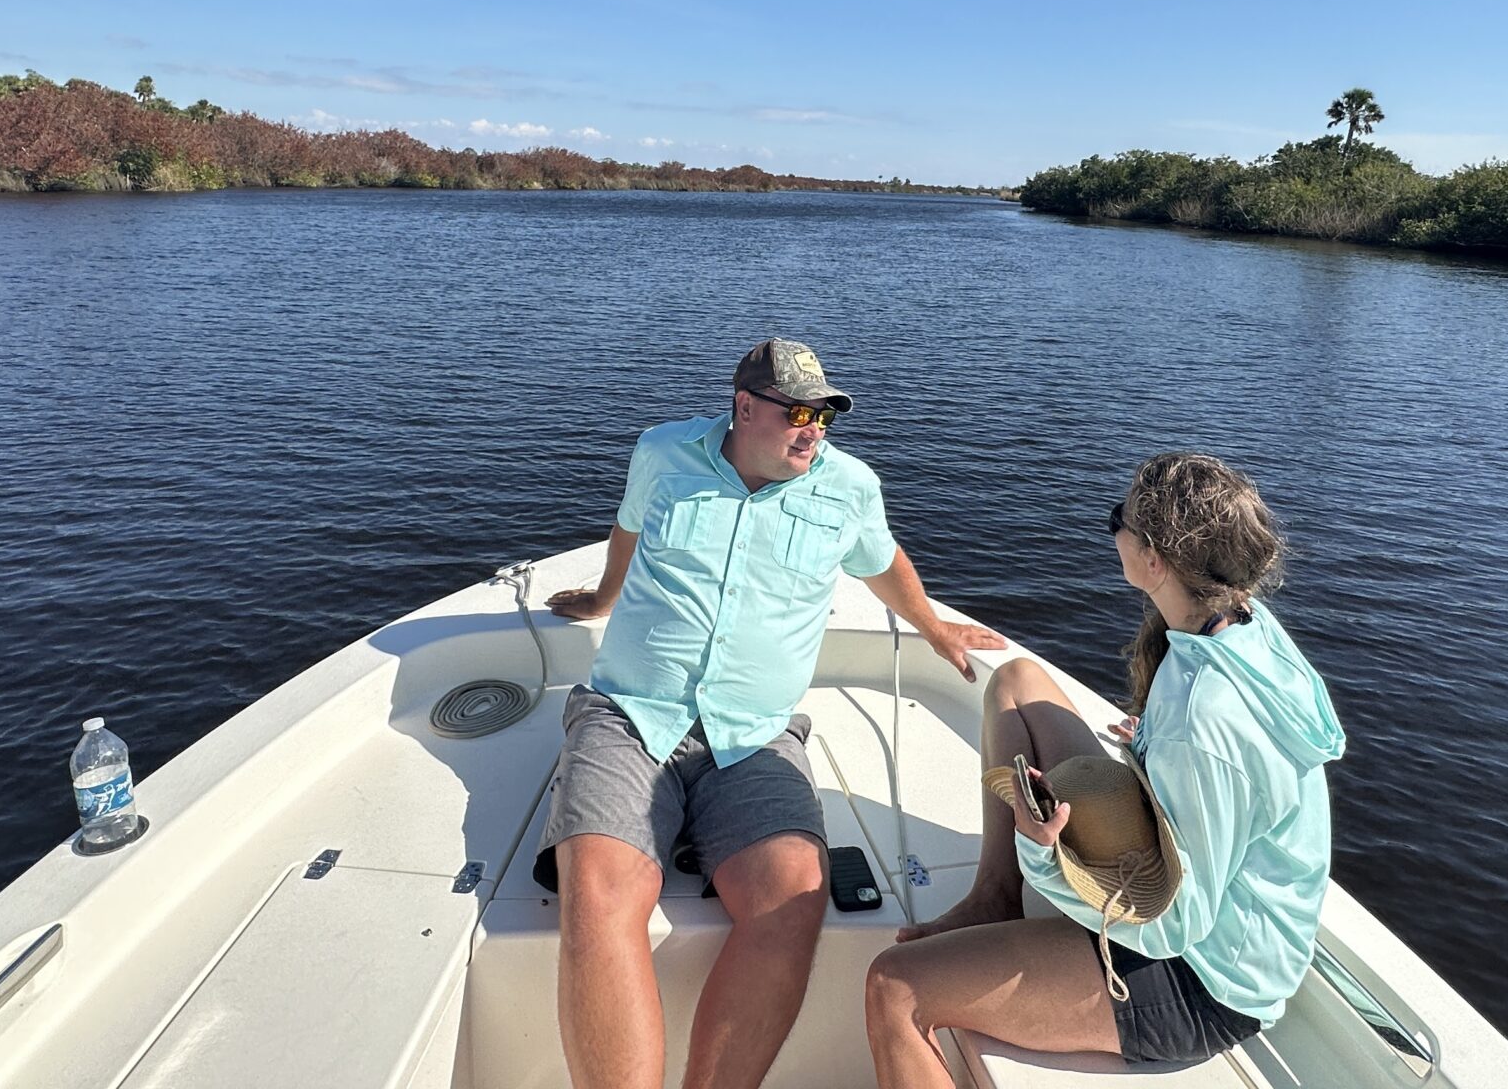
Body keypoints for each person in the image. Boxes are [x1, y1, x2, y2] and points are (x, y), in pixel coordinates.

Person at [539, 339, 1008, 1089]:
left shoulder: (847, 486)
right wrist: (603, 598)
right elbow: (629, 526)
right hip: (632, 711)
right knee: (598, 889)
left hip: (754, 732)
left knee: (793, 895)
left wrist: (934, 627)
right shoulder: (663, 452)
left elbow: (881, 559)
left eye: (824, 415)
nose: (813, 429)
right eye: (797, 411)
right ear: (744, 407)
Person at [863, 453, 1346, 1086]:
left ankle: (1017, 885)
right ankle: (994, 897)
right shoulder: (1243, 621)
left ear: (1154, 562)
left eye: (1120, 518)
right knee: (1017, 682)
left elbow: (1176, 923)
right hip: (1187, 891)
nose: (1111, 526)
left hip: (1200, 984)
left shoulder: (1206, 720)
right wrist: (1150, 746)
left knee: (893, 988)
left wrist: (1042, 854)